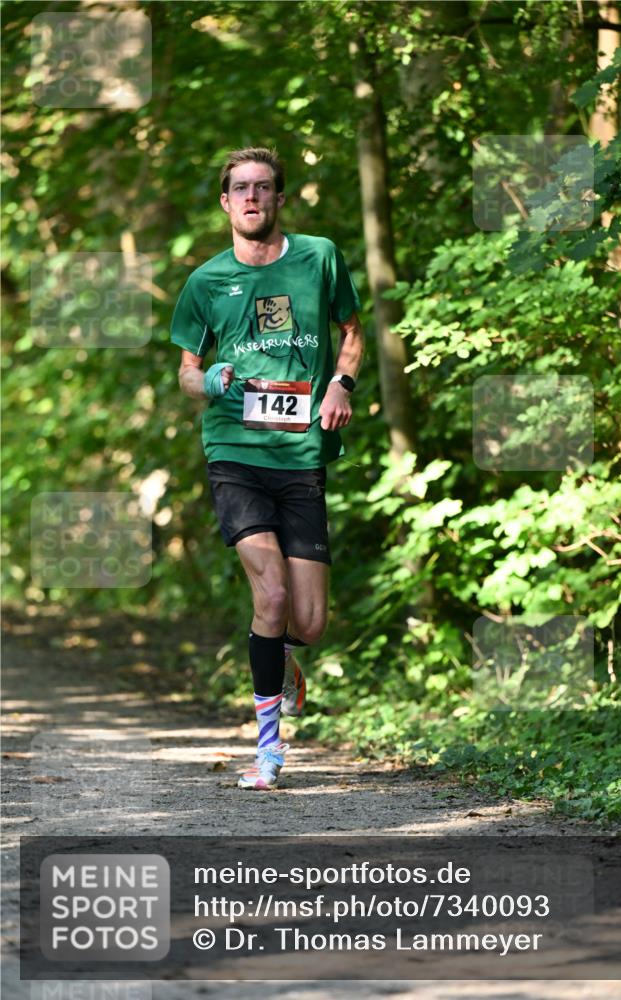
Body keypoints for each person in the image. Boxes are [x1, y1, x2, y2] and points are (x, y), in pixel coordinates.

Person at [170, 147, 364, 790]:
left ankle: (277, 652)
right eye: (240, 189)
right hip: (235, 455)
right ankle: (269, 752)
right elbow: (187, 374)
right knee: (272, 595)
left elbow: (353, 333)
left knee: (307, 622)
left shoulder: (320, 258)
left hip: (301, 458)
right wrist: (211, 380)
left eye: (263, 187)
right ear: (225, 203)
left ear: (280, 198)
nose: (252, 197)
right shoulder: (206, 282)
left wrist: (340, 384)